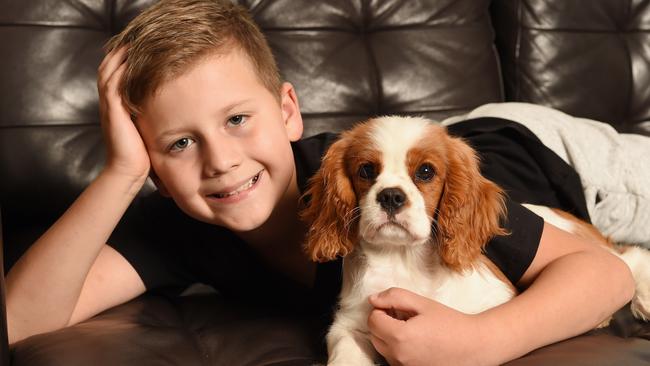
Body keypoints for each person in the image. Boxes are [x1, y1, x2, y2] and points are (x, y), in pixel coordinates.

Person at [4, 1, 635, 365]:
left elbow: (603, 273)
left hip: (555, 156)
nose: (220, 160)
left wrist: (485, 341)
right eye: (179, 142)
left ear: (287, 111)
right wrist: (121, 173)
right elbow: (19, 321)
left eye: (238, 120)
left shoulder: (342, 177)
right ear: (154, 163)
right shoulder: (176, 222)